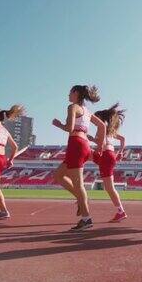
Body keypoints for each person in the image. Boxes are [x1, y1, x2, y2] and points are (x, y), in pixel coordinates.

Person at [52, 85, 106, 231]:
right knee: (58, 175)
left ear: (76, 93)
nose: (68, 94)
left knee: (78, 183)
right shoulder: (87, 111)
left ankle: (86, 218)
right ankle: (81, 199)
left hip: (76, 144)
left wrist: (58, 124)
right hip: (83, 145)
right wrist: (99, 146)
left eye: (70, 91)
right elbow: (102, 126)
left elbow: (69, 128)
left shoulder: (73, 107)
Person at [87, 103, 127, 222]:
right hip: (109, 156)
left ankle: (121, 211)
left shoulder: (102, 126)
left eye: (94, 118)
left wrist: (93, 141)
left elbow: (101, 146)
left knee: (109, 188)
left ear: (99, 118)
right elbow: (122, 139)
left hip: (105, 156)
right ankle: (80, 192)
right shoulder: (108, 130)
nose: (93, 121)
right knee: (84, 155)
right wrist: (120, 152)